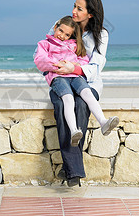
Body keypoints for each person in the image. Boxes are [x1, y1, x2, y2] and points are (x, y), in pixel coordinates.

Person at [44, 0, 116, 187]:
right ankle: (73, 169)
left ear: (90, 14)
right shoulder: (62, 24)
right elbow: (45, 50)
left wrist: (73, 68)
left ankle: (70, 170)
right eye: (74, 6)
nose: (74, 11)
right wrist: (58, 67)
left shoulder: (101, 35)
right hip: (61, 80)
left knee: (81, 105)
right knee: (61, 105)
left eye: (79, 8)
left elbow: (96, 65)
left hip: (88, 83)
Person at [34, 16, 118, 148]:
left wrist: (75, 65)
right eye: (60, 31)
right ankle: (74, 130)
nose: (62, 36)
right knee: (68, 99)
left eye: (67, 34)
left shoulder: (73, 45)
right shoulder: (45, 44)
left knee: (87, 94)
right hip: (58, 77)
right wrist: (58, 65)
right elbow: (40, 61)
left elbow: (84, 60)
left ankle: (103, 123)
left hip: (75, 76)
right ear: (55, 27)